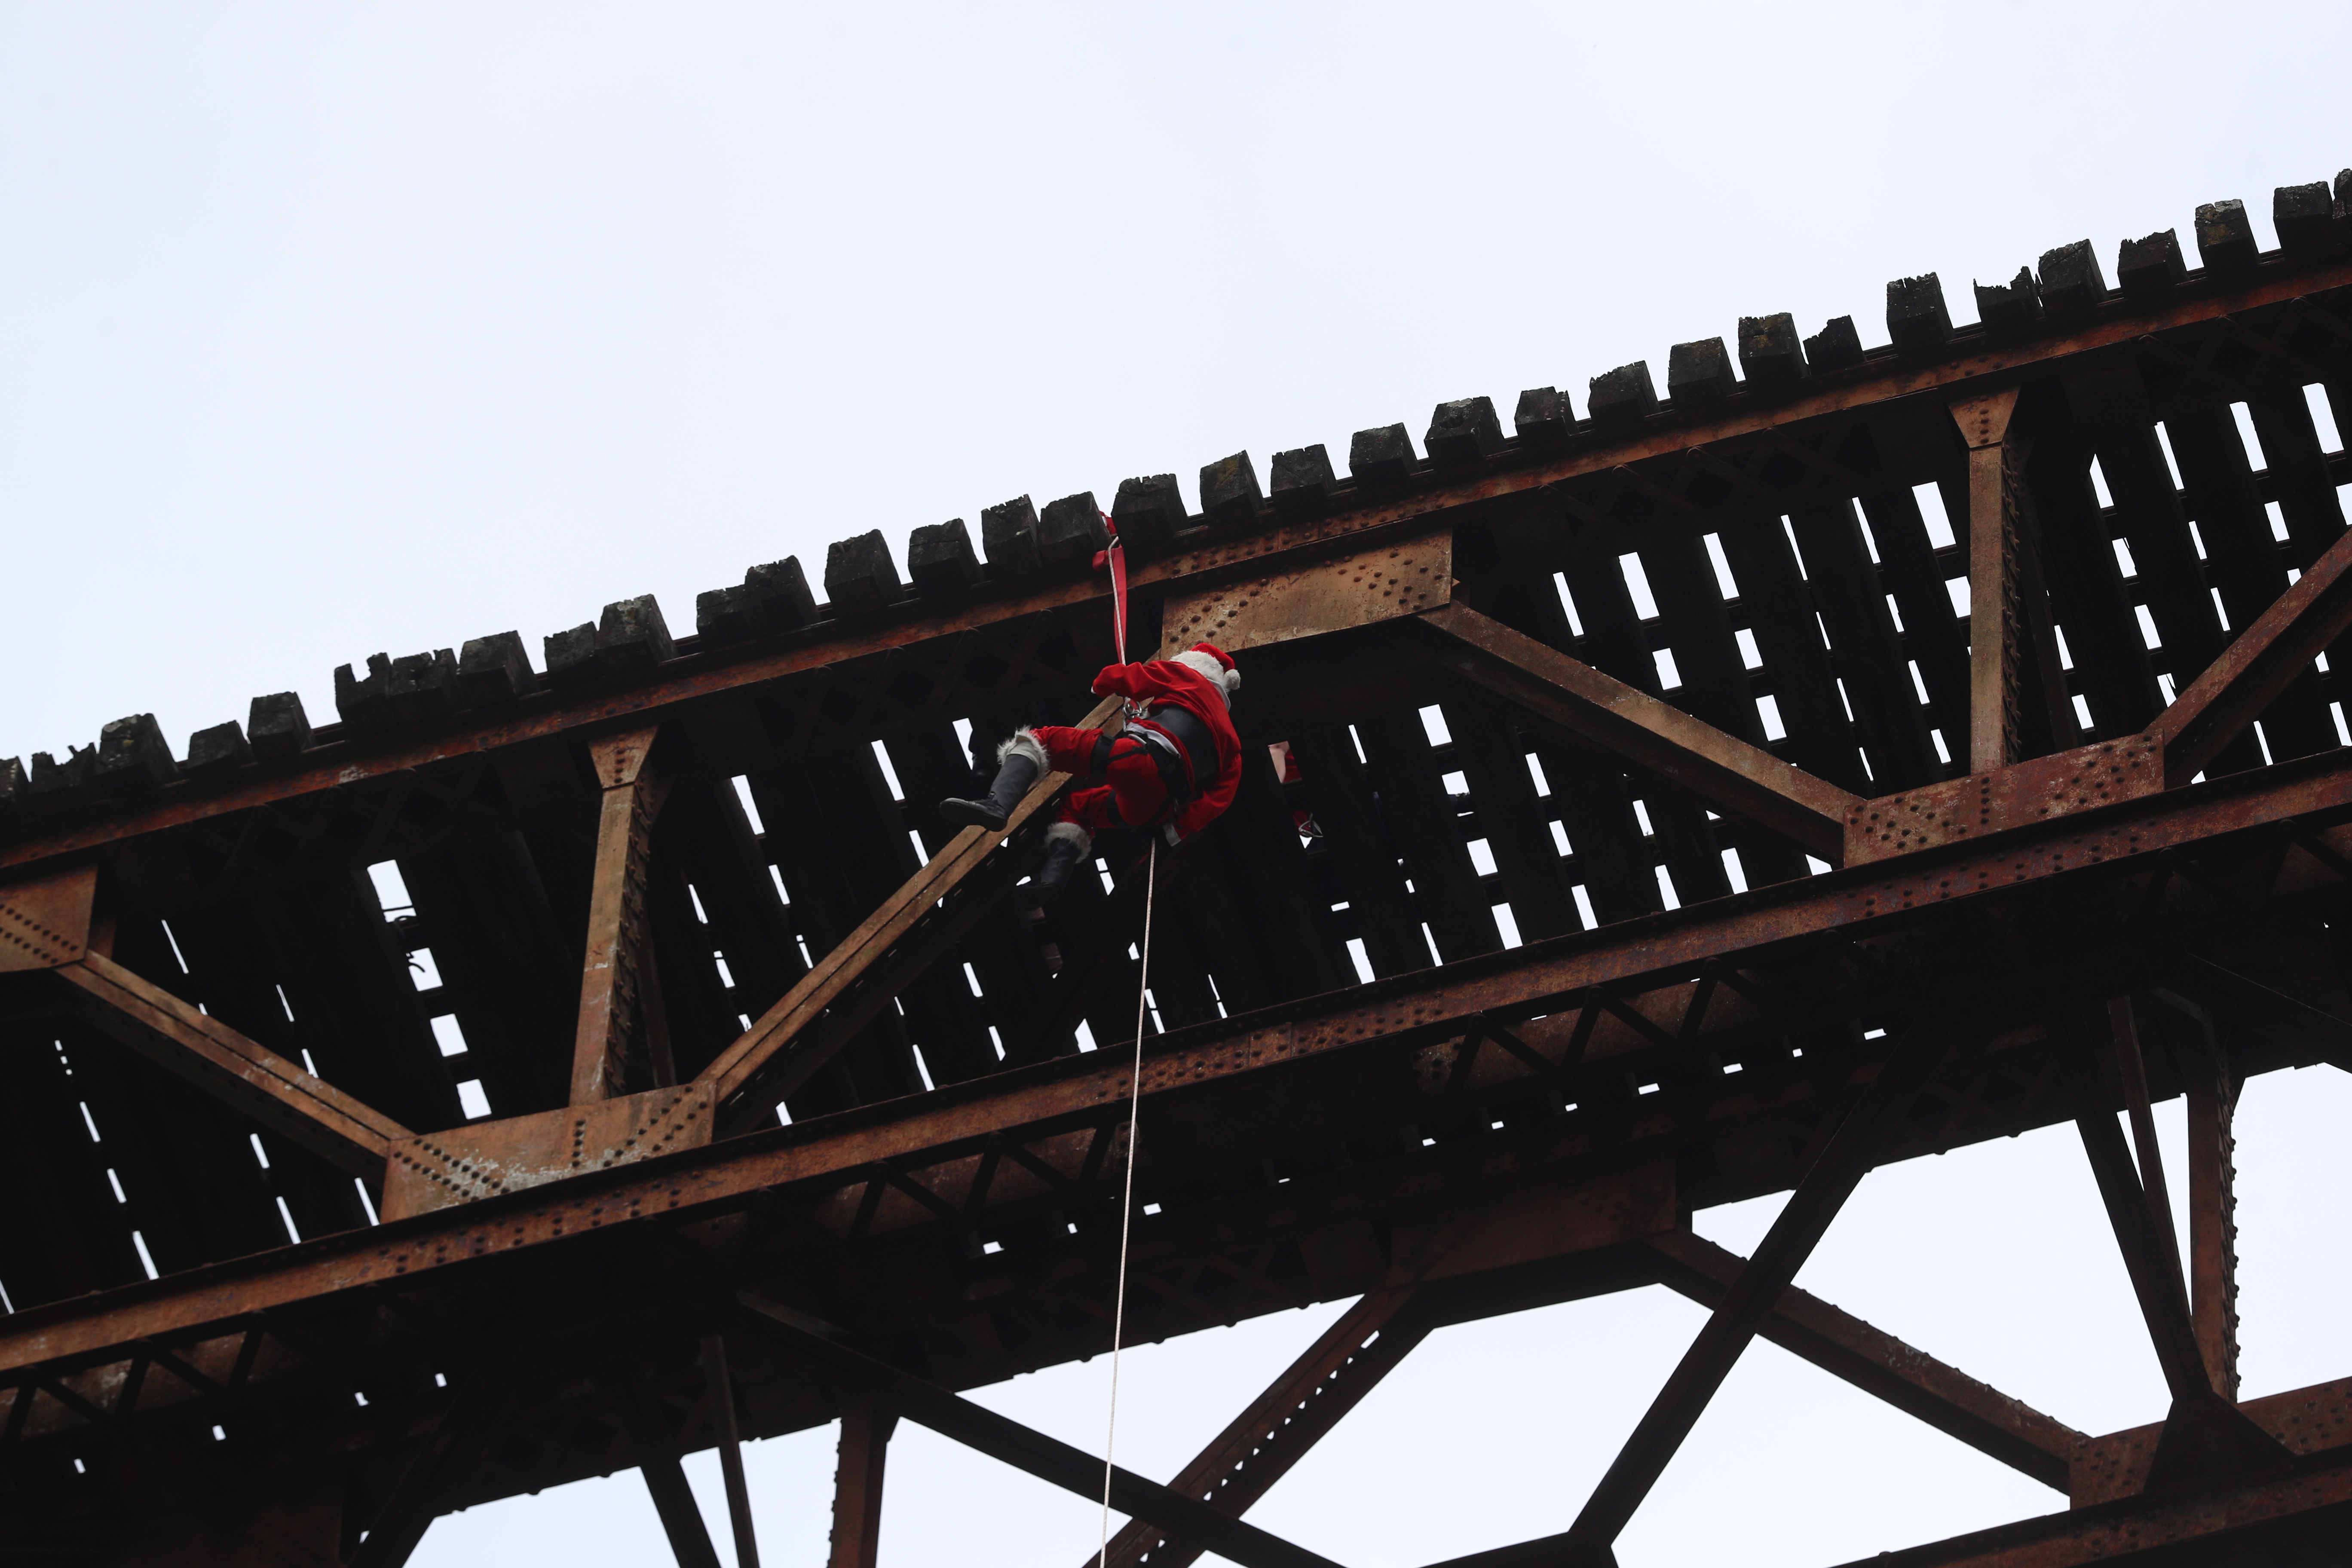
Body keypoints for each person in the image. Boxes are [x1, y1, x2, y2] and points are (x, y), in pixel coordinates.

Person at [940, 643, 1243, 899]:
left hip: (1138, 759)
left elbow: (1127, 679)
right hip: (1157, 809)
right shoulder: (1234, 750)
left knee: (1045, 740)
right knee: (1081, 807)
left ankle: (998, 804)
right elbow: (1217, 802)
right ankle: (1053, 880)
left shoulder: (1188, 677)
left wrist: (1103, 683)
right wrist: (1172, 831)